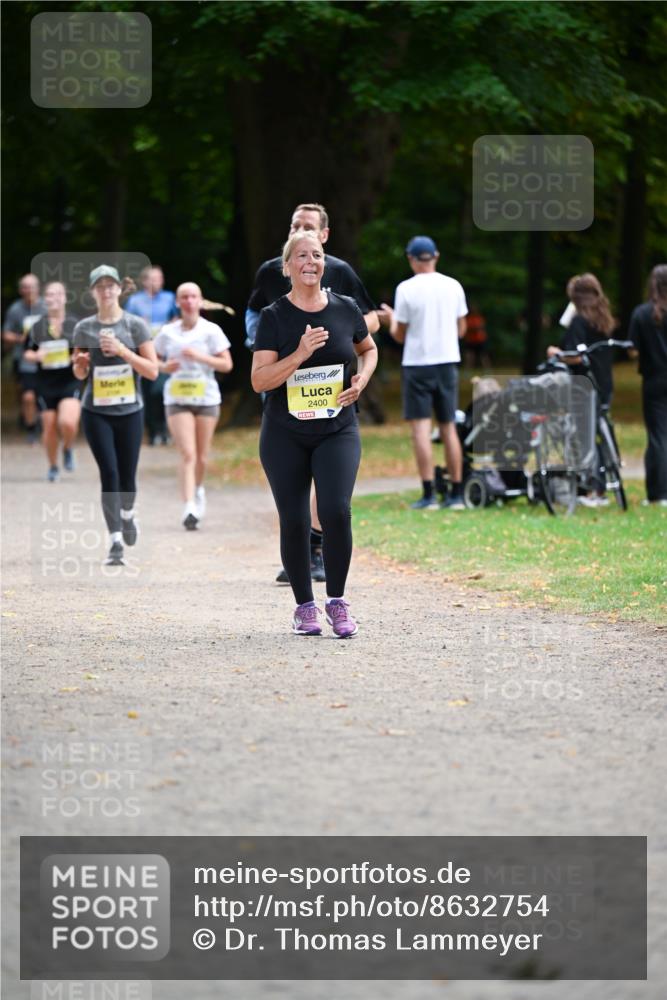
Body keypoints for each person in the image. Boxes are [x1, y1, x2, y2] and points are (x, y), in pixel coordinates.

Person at [252, 230, 377, 637]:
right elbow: (259, 381)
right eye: (301, 256)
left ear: (325, 264)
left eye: (318, 255)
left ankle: (337, 602)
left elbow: (368, 349)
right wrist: (301, 354)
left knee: (336, 511)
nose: (311, 261)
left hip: (337, 428)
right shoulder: (274, 316)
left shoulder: (345, 308)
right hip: (285, 432)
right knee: (293, 519)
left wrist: (362, 380)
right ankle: (305, 607)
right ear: (287, 267)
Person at [72, 265, 158, 566]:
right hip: (96, 410)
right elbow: (79, 371)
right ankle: (115, 541)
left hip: (130, 410)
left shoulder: (135, 326)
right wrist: (81, 363)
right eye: (100, 286)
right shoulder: (84, 328)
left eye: (111, 286)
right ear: (93, 292)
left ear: (120, 289)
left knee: (127, 475)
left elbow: (152, 370)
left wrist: (123, 351)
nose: (106, 291)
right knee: (108, 474)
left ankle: (128, 513)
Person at [378, 235, 467, 510]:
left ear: (411, 259)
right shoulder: (453, 286)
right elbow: (461, 328)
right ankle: (456, 494)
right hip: (447, 362)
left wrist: (391, 321)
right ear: (436, 256)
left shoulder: (406, 289)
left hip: (417, 364)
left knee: (420, 429)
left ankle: (428, 494)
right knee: (448, 426)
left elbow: (401, 335)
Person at [154, 282, 233, 529]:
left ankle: (198, 490)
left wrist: (200, 357)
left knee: (201, 456)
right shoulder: (167, 333)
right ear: (177, 302)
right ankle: (188, 506)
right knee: (187, 453)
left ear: (200, 301)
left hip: (207, 398)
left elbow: (226, 365)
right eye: (184, 297)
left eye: (193, 297)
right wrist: (164, 367)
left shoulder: (211, 331)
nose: (189, 301)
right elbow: (152, 359)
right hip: (177, 399)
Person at [546, 273, 617, 507]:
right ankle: (605, 484)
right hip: (604, 382)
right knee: (599, 430)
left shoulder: (579, 321)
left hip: (583, 385)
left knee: (584, 436)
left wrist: (557, 354)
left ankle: (592, 490)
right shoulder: (604, 319)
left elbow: (576, 356)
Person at [23, 281, 81, 482]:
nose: (54, 298)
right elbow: (27, 352)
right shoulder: (38, 326)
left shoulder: (75, 324)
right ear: (45, 299)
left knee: (68, 422)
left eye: (58, 294)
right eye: (49, 294)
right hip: (45, 384)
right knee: (49, 426)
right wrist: (37, 356)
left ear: (65, 298)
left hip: (69, 381)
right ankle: (53, 466)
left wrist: (78, 356)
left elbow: (85, 351)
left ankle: (68, 447)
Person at [125, 265, 178, 445]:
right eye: (153, 278)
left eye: (160, 278)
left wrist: (169, 325)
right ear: (145, 281)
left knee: (162, 391)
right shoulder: (134, 301)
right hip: (143, 353)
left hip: (165, 352)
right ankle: (153, 431)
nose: (157, 281)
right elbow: (126, 325)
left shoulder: (170, 298)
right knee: (148, 393)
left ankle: (165, 429)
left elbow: (178, 319)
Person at [628, 264, 667, 507]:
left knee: (658, 436)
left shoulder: (642, 314)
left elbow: (631, 350)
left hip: (654, 380)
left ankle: (659, 492)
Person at [2, 273, 45, 441]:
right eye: (25, 287)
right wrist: (22, 338)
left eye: (32, 286)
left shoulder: (47, 306)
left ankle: (43, 423)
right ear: (21, 290)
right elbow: (5, 334)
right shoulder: (15, 309)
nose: (29, 290)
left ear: (38, 288)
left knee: (42, 395)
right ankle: (31, 429)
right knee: (28, 396)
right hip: (25, 360)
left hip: (47, 359)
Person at [463, 304, 490, 368]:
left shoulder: (479, 318)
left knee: (484, 355)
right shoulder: (468, 318)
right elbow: (467, 328)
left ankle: (487, 369)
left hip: (480, 339)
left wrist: (475, 328)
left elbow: (481, 327)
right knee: (469, 356)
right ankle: (468, 369)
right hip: (470, 340)